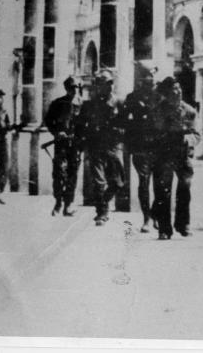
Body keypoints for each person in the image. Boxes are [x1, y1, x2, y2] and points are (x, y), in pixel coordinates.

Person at [151, 76, 200, 240]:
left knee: (185, 188)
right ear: (166, 93)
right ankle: (164, 229)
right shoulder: (159, 109)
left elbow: (196, 135)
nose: (177, 92)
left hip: (182, 154)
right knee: (163, 192)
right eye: (173, 90)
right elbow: (155, 131)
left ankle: (183, 224)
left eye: (179, 89)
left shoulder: (190, 111)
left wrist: (189, 139)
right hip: (163, 154)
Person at [75, 69, 125, 226]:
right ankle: (102, 212)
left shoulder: (119, 103)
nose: (109, 86)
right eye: (104, 83)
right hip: (95, 145)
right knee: (99, 182)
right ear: (98, 85)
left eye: (110, 83)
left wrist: (121, 132)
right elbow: (80, 126)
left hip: (113, 146)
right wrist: (81, 142)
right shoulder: (89, 105)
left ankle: (103, 202)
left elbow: (126, 124)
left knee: (118, 182)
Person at [122, 61, 159, 233]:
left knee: (160, 184)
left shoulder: (160, 96)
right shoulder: (132, 98)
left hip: (159, 146)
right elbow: (124, 122)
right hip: (140, 146)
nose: (149, 79)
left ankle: (156, 213)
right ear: (140, 78)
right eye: (146, 76)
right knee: (144, 182)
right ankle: (147, 218)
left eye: (151, 75)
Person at [44, 75, 83, 216]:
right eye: (72, 87)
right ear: (66, 88)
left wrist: (81, 138)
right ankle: (58, 202)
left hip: (75, 145)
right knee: (59, 173)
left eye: (77, 87)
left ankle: (68, 205)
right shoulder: (57, 103)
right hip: (61, 144)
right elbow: (49, 121)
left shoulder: (83, 105)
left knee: (72, 175)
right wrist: (57, 132)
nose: (74, 90)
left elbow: (85, 125)